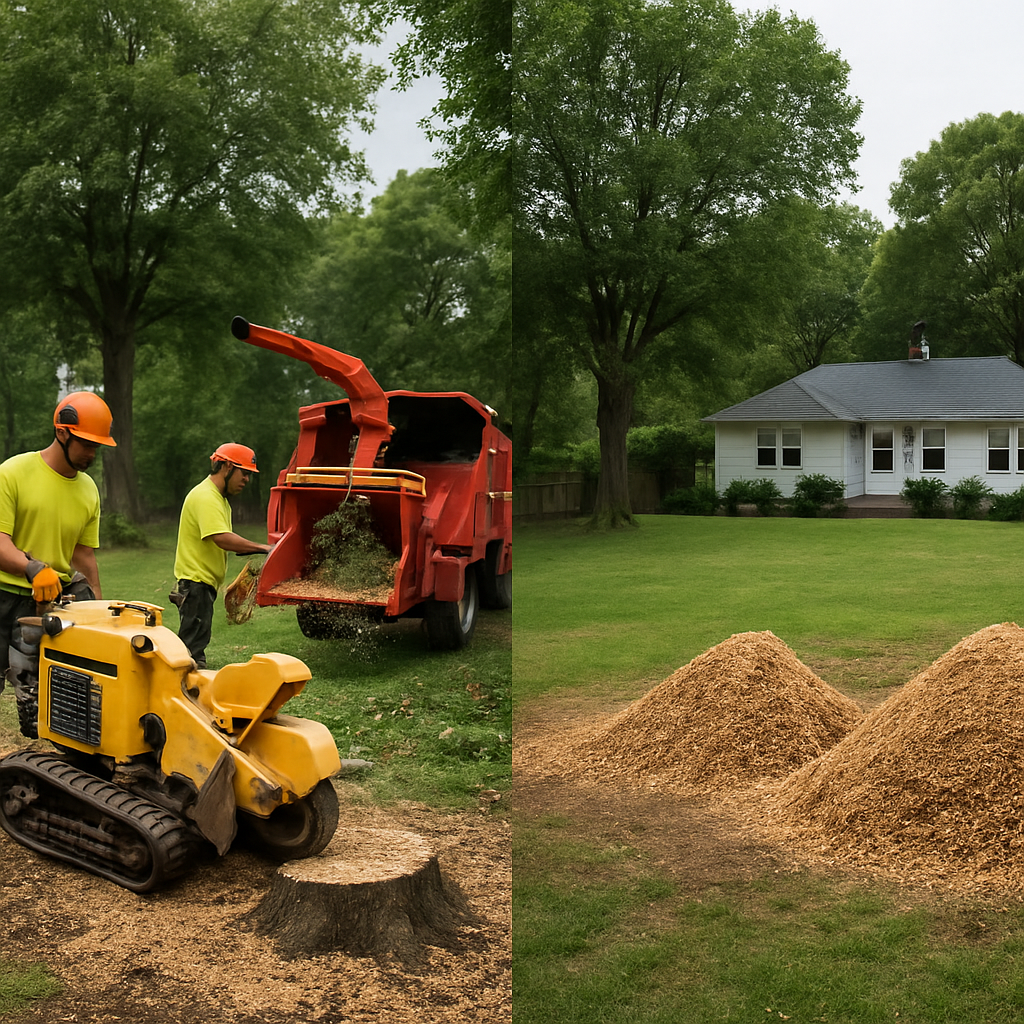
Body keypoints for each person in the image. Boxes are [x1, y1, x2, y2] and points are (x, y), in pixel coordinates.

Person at [0, 391, 117, 734]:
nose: (92, 454)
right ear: (62, 432)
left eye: (98, 447)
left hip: (48, 605)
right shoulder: (13, 473)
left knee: (42, 709)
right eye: (86, 445)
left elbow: (83, 555)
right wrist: (32, 567)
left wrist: (99, 607)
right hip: (3, 596)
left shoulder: (89, 490)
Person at [172, 442, 272, 668]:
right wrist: (264, 548)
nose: (247, 479)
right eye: (244, 473)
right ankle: (182, 693)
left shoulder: (219, 499)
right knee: (191, 651)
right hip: (195, 585)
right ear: (227, 466)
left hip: (201, 585)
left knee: (195, 646)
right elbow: (222, 538)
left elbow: (227, 541)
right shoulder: (206, 496)